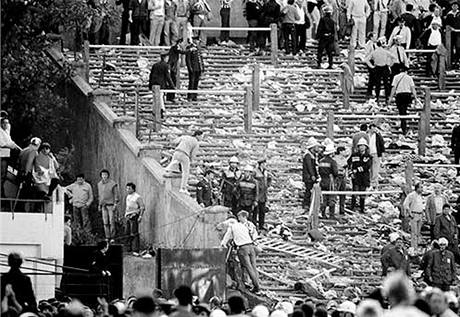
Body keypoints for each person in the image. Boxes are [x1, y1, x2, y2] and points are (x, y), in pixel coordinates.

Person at [220, 210, 261, 294]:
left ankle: (256, 287)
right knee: (253, 267)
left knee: (248, 267)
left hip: (243, 248)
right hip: (251, 246)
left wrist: (223, 244)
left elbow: (227, 237)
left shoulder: (231, 227)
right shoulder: (243, 226)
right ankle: (256, 284)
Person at [389, 66, 419, 135]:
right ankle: (404, 125)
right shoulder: (409, 78)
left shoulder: (396, 77)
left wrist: (390, 98)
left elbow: (393, 88)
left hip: (399, 95)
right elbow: (413, 88)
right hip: (407, 95)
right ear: (406, 71)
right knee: (404, 109)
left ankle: (403, 125)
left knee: (401, 111)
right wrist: (415, 97)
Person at [365, 37, 393, 105]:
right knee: (386, 84)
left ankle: (377, 98)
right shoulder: (386, 52)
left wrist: (372, 66)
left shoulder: (374, 52)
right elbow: (394, 57)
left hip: (377, 67)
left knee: (378, 84)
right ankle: (386, 98)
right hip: (384, 67)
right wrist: (390, 64)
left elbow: (366, 60)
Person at [348, 138, 371, 214]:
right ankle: (352, 208)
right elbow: (349, 164)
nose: (361, 147)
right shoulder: (354, 155)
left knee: (362, 194)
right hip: (356, 177)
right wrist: (350, 173)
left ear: (366, 147)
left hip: (364, 177)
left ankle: (362, 209)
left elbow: (367, 166)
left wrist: (356, 170)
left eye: (363, 146)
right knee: (354, 193)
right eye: (360, 146)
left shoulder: (368, 156)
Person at [97, 169, 120, 240]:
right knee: (105, 222)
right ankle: (107, 237)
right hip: (103, 205)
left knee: (111, 221)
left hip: (111, 205)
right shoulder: (99, 184)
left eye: (105, 175)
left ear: (108, 175)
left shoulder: (113, 183)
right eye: (103, 175)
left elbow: (116, 194)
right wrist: (99, 205)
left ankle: (113, 237)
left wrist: (115, 204)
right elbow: (100, 195)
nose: (104, 176)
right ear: (101, 176)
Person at [318, 143, 338, 218]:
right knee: (332, 198)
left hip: (323, 180)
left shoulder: (321, 161)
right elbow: (335, 172)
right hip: (330, 181)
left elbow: (319, 171)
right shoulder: (332, 162)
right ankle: (331, 215)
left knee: (324, 198)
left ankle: (323, 214)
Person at [403, 183, 424, 249]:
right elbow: (405, 204)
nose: (422, 189)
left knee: (418, 233)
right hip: (414, 214)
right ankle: (414, 247)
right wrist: (410, 213)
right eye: (421, 187)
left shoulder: (420, 196)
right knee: (414, 233)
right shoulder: (411, 195)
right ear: (417, 188)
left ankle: (417, 246)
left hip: (420, 214)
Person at [125, 182, 145, 253]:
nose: (127, 190)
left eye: (129, 188)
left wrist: (140, 216)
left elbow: (142, 207)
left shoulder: (137, 197)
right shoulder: (128, 196)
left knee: (134, 233)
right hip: (128, 216)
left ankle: (135, 249)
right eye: (127, 188)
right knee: (127, 232)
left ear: (133, 189)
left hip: (134, 216)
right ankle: (128, 248)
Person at [302, 137, 320, 210]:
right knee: (308, 190)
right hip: (308, 177)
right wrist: (312, 175)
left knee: (310, 190)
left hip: (310, 176)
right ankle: (306, 204)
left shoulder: (312, 155)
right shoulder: (308, 155)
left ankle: (308, 204)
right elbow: (310, 166)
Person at [254, 158, 272, 230]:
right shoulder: (255, 171)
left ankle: (261, 225)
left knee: (262, 211)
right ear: (261, 164)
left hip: (263, 194)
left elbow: (267, 182)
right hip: (257, 193)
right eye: (264, 164)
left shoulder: (265, 172)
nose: (265, 165)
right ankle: (254, 224)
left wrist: (269, 182)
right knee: (255, 211)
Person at [185, 37, 205, 101]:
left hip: (198, 68)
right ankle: (190, 96)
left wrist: (202, 68)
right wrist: (190, 68)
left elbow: (200, 59)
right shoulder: (189, 48)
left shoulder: (198, 48)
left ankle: (194, 95)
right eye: (196, 40)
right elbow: (188, 59)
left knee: (196, 82)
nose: (198, 42)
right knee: (192, 82)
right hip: (193, 68)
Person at [367, 123, 385, 188]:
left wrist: (382, 155)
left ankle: (375, 184)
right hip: (369, 154)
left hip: (376, 153)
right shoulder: (367, 136)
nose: (374, 129)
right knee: (369, 169)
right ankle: (370, 182)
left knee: (375, 169)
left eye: (374, 128)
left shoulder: (378, 136)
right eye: (372, 128)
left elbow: (381, 145)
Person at [334, 146, 348, 215]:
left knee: (343, 194)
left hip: (343, 177)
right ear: (340, 151)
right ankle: (332, 210)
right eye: (344, 151)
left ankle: (342, 210)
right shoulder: (336, 158)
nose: (345, 152)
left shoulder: (344, 159)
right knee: (335, 193)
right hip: (337, 177)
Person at [446, 1, 460, 66]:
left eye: (456, 6)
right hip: (451, 33)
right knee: (450, 47)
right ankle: (451, 61)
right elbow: (446, 24)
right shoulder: (449, 14)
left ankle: (457, 61)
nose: (454, 7)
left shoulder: (459, 14)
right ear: (451, 7)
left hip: (458, 33)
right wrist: (450, 28)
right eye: (453, 6)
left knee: (458, 47)